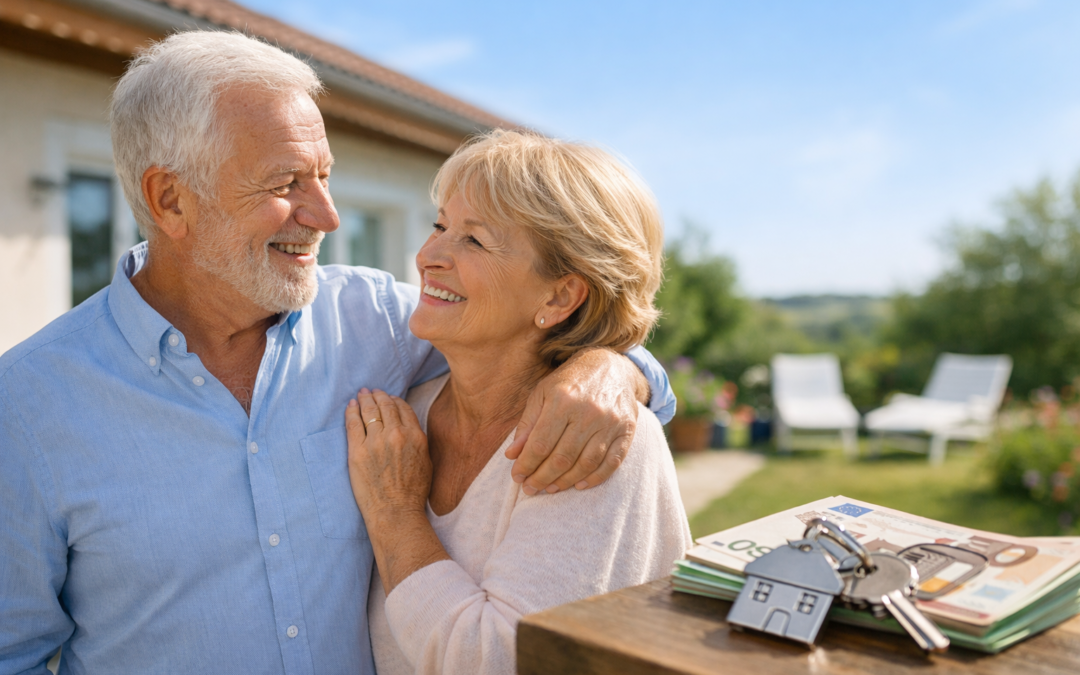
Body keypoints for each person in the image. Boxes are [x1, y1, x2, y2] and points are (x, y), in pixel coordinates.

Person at [0, 32, 677, 675]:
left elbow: (529, 332)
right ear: (170, 200)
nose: (327, 216)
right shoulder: (29, 407)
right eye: (285, 183)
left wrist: (613, 367)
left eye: (324, 176)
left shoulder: (374, 321)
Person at [348, 130, 692, 675]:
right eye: (440, 226)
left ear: (559, 297)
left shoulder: (592, 438)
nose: (428, 256)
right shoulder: (401, 416)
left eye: (474, 241)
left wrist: (395, 517)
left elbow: (502, 662)